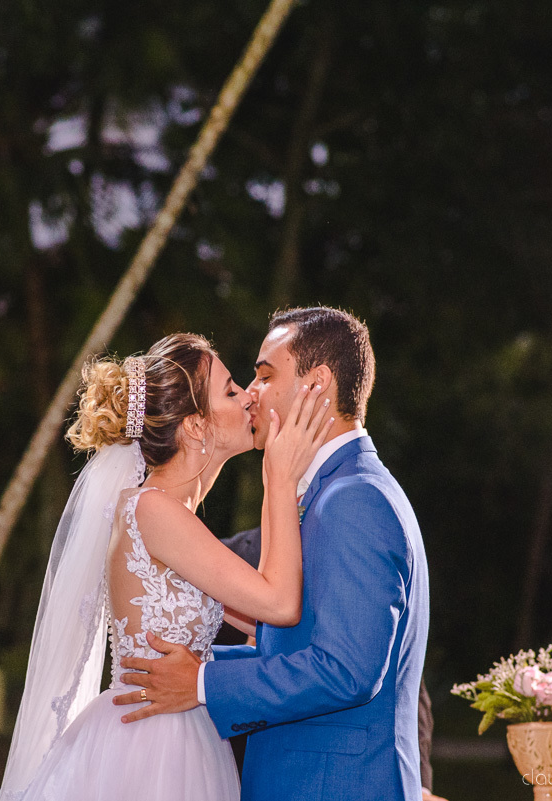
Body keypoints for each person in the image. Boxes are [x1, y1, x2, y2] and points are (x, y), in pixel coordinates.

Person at [0, 332, 333, 801]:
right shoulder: (152, 511)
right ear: (195, 427)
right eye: (231, 390)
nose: (249, 397)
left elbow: (267, 623)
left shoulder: (177, 523)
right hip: (149, 748)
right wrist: (279, 476)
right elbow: (279, 602)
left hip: (181, 733)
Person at [114, 307, 431, 801]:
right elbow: (294, 645)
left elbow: (346, 671)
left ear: (317, 383)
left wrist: (203, 682)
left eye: (264, 375)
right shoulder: (329, 493)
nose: (252, 393)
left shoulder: (354, 500)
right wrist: (188, 663)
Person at [218, 527, 447, 801]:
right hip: (230, 761)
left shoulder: (351, 551)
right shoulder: (225, 559)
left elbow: (402, 684)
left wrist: (419, 785)